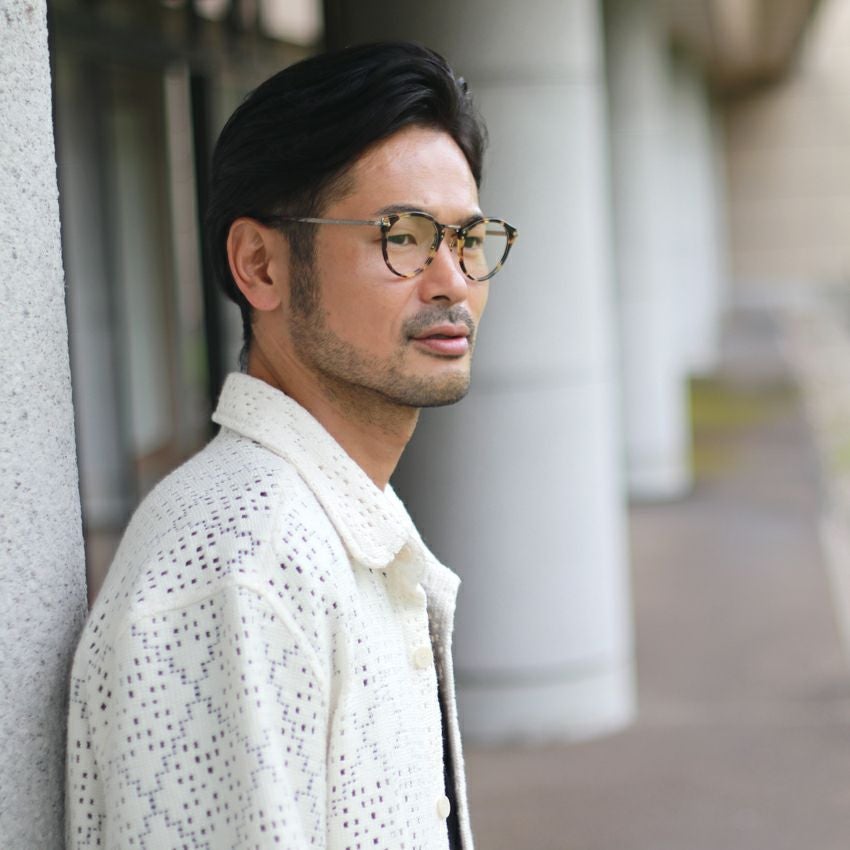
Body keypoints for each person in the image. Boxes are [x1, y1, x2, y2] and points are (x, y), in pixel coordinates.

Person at [66, 41, 517, 849]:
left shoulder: (335, 515)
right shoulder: (244, 564)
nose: (453, 280)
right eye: (403, 236)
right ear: (260, 266)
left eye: (468, 238)